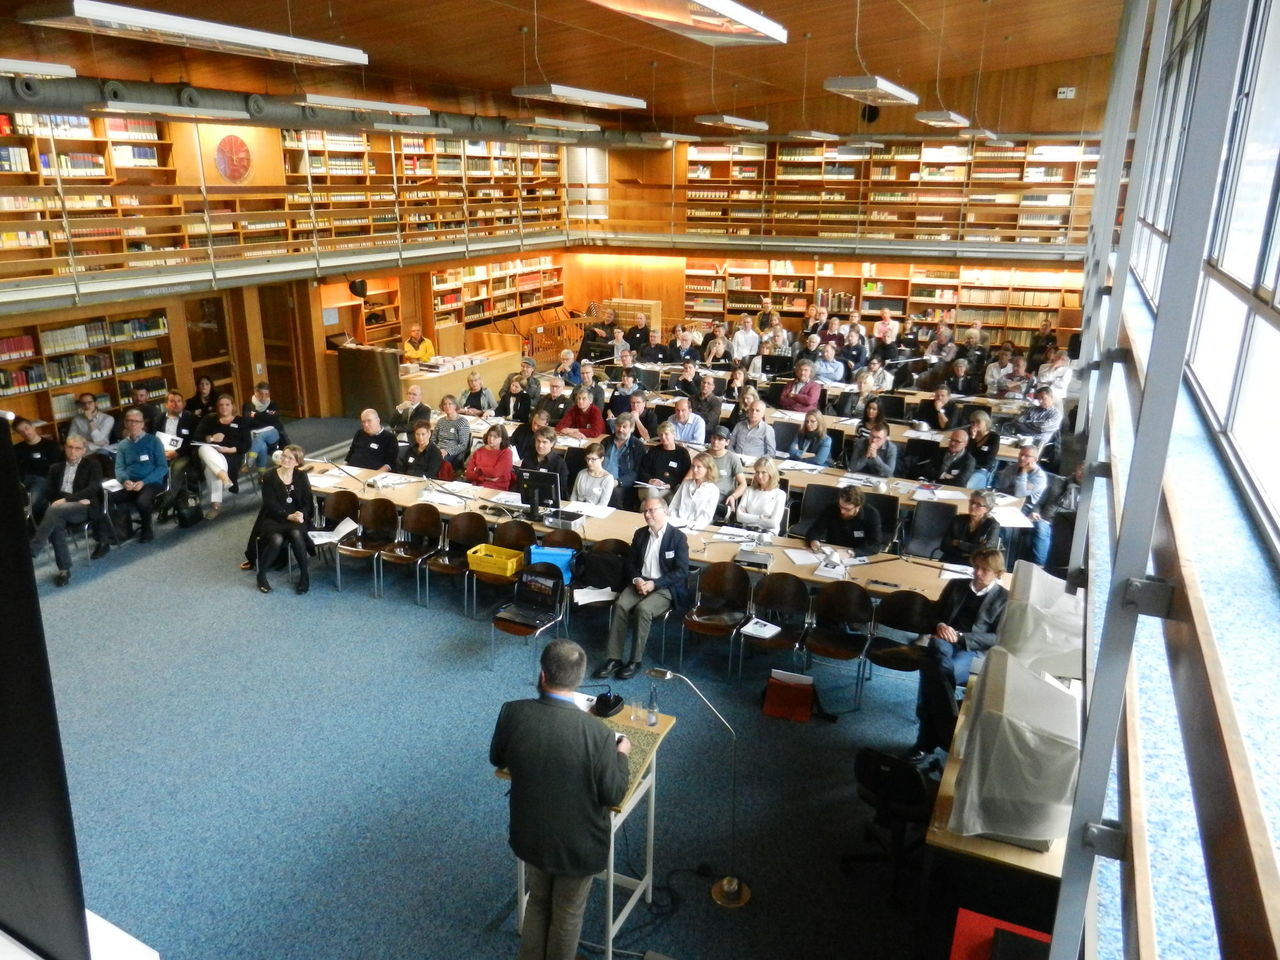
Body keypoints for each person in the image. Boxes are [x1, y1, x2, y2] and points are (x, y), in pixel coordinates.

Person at [491, 638, 631, 960]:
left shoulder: (512, 713)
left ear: (543, 675)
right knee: (567, 913)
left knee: (538, 901)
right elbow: (613, 793)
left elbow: (497, 757)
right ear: (579, 680)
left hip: (530, 835)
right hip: (578, 847)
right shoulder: (598, 735)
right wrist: (621, 755)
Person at [909, 548, 1009, 761]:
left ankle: (924, 743)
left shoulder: (1004, 599)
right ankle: (946, 725)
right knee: (937, 653)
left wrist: (961, 637)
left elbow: (998, 637)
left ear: (997, 573)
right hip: (943, 642)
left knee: (933, 673)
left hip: (970, 649)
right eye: (976, 567)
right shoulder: (956, 585)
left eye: (984, 570)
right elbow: (933, 614)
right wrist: (941, 624)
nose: (978, 573)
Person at [595, 498, 690, 679]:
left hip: (664, 586)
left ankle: (635, 661)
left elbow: (682, 571)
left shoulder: (677, 538)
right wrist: (637, 579)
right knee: (621, 605)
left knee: (643, 610)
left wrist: (655, 584)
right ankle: (614, 658)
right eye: (645, 511)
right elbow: (630, 563)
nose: (647, 515)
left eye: (652, 510)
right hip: (640, 582)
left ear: (665, 511)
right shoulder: (640, 534)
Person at [29, 435, 109, 585]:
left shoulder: (93, 465)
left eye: (77, 448)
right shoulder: (55, 468)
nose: (73, 451)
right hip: (60, 509)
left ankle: (33, 549)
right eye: (70, 447)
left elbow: (93, 488)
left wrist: (68, 499)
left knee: (55, 509)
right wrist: (60, 502)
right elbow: (50, 493)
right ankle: (64, 570)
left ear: (84, 450)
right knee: (56, 524)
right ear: (65, 448)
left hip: (84, 506)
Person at [247, 444, 314, 595]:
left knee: (296, 534)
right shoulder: (269, 476)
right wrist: (287, 516)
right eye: (284, 455)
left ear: (297, 462)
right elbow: (269, 503)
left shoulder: (301, 476)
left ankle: (304, 575)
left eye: (291, 458)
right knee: (276, 539)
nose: (286, 460)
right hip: (275, 518)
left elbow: (307, 502)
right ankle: (261, 575)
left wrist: (301, 514)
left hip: (296, 519)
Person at [114, 406, 168, 539]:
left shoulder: (153, 441)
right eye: (129, 421)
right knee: (109, 498)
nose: (133, 424)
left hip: (151, 482)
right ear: (125, 423)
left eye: (136, 421)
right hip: (130, 482)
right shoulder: (122, 445)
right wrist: (125, 480)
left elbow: (162, 467)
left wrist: (144, 482)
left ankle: (147, 529)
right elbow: (119, 468)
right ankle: (123, 531)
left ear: (142, 424)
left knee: (142, 501)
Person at [193, 394, 249, 520]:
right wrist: (211, 438)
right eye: (221, 405)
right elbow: (196, 438)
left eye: (227, 405)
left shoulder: (240, 421)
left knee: (210, 469)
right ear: (217, 407)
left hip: (232, 456)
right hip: (210, 453)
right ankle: (224, 476)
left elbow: (246, 444)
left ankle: (216, 505)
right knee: (203, 448)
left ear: (233, 406)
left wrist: (230, 449)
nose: (224, 407)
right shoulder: (210, 419)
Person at [1029, 461, 1083, 566]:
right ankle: (1039, 566)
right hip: (1047, 520)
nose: (1082, 473)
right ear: (1076, 468)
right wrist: (1035, 511)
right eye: (1081, 469)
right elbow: (1039, 501)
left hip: (1066, 527)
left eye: (1086, 471)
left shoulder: (1088, 493)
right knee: (1041, 528)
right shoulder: (1057, 481)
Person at [806, 485, 884, 556]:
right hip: (833, 552)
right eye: (840, 506)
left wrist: (852, 553)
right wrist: (814, 541)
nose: (842, 511)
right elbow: (815, 530)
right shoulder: (831, 508)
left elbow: (875, 544)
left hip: (859, 553)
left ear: (858, 507)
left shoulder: (871, 514)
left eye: (847, 509)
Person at [12, 417, 60, 520]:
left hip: (44, 479)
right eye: (21, 431)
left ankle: (26, 518)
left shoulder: (50, 445)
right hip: (24, 481)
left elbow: (54, 466)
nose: (25, 432)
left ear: (33, 427)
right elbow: (16, 469)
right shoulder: (17, 449)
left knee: (33, 500)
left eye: (26, 428)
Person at [939, 491, 1002, 565]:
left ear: (987, 509)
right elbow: (944, 545)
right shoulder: (957, 519)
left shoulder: (992, 526)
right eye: (972, 502)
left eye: (978, 504)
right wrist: (968, 552)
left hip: (976, 565)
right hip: (950, 560)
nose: (972, 506)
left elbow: (986, 551)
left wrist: (960, 544)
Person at [601, 413, 646, 508]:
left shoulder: (637, 446)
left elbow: (637, 472)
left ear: (632, 429)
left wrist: (618, 482)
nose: (620, 429)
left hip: (621, 484)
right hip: (601, 479)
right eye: (618, 426)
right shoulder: (606, 442)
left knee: (613, 492)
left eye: (624, 427)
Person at [242, 381, 290, 470]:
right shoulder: (248, 405)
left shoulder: (273, 405)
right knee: (262, 445)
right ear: (255, 393)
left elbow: (274, 419)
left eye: (266, 394)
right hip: (254, 434)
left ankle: (251, 458)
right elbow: (248, 421)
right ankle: (262, 474)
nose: (264, 397)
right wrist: (266, 417)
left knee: (259, 438)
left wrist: (256, 415)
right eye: (261, 394)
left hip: (273, 434)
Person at [735, 458, 786, 534]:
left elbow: (773, 523)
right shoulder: (749, 490)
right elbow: (739, 517)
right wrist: (761, 518)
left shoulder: (780, 494)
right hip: (747, 531)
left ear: (771, 474)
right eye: (757, 472)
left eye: (763, 472)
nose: (759, 476)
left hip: (767, 533)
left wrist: (748, 517)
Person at [668, 452, 719, 527]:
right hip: (677, 523)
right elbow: (674, 506)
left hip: (696, 526)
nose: (694, 470)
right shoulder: (686, 484)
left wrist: (692, 525)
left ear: (708, 469)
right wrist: (674, 521)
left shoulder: (713, 490)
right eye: (693, 466)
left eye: (699, 467)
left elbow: (706, 516)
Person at [707, 426, 749, 510]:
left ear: (727, 442)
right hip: (704, 494)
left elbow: (743, 484)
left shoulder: (732, 458)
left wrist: (733, 496)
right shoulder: (703, 457)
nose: (715, 442)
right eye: (714, 438)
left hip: (722, 498)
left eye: (720, 439)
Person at [345, 408, 397, 473]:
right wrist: (344, 469)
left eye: (369, 421)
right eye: (363, 422)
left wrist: (374, 475)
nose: (366, 425)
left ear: (378, 420)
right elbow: (351, 453)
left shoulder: (389, 438)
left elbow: (389, 464)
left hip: (372, 474)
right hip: (352, 471)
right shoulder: (359, 433)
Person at [996, 444, 1049, 508]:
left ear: (1035, 460)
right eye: (1021, 454)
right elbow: (1002, 488)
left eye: (1027, 456)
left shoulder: (1040, 477)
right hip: (1006, 499)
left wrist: (1023, 472)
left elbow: (1019, 494)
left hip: (1026, 505)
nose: (1021, 458)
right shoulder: (1011, 468)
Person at [465, 424, 515, 491]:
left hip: (497, 488)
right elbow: (468, 474)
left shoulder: (506, 453)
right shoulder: (479, 451)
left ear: (502, 439)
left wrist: (478, 469)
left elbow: (495, 473)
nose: (491, 439)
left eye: (495, 437)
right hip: (476, 487)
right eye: (490, 435)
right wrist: (486, 478)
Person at [432, 395, 472, 473]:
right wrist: (436, 450)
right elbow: (433, 439)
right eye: (445, 404)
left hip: (452, 452)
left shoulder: (462, 422)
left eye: (450, 404)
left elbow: (463, 445)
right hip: (438, 450)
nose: (447, 406)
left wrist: (446, 451)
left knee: (436, 462)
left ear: (455, 406)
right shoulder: (440, 421)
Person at [526, 427, 570, 494]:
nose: (540, 445)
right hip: (528, 496)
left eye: (544, 442)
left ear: (552, 443)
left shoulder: (559, 464)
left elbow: (562, 490)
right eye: (538, 441)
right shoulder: (528, 459)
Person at [965, 410, 1001, 489]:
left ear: (986, 422)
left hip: (980, 469)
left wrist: (973, 464)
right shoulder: (968, 434)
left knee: (967, 485)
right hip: (965, 466)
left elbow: (988, 460)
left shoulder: (994, 437)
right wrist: (972, 438)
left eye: (978, 421)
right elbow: (967, 454)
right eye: (972, 422)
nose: (975, 424)